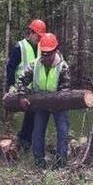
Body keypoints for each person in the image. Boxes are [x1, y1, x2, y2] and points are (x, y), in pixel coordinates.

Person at [16, 33, 71, 169]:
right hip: (40, 103)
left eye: (49, 53)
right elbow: (21, 80)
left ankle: (60, 163)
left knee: (63, 131)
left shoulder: (63, 67)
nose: (46, 57)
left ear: (55, 50)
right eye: (44, 53)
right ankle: (40, 163)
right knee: (38, 132)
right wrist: (22, 96)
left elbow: (66, 88)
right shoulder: (34, 65)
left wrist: (57, 101)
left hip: (59, 104)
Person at [6, 19, 47, 150]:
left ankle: (28, 140)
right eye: (38, 36)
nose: (39, 39)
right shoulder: (20, 47)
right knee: (31, 114)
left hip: (36, 88)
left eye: (41, 37)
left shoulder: (41, 47)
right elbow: (11, 67)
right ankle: (24, 140)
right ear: (31, 33)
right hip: (22, 87)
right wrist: (11, 85)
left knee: (36, 116)